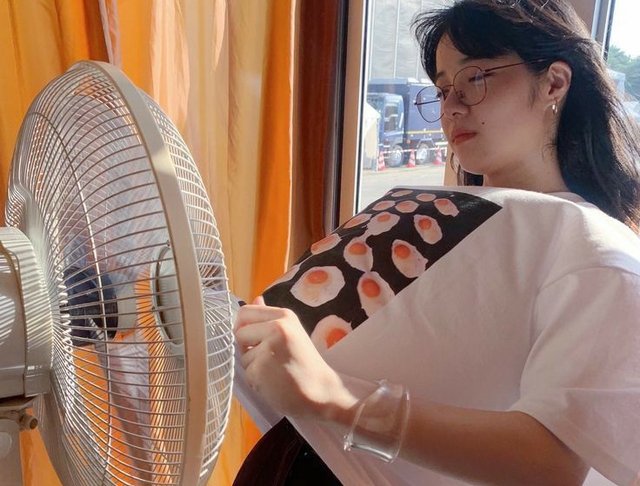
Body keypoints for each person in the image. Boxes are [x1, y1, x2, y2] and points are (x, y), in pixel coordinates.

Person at [233, 0, 640, 484]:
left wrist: (337, 399)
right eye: (444, 89)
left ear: (554, 82)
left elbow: (553, 462)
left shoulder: (592, 248)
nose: (451, 107)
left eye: (475, 78)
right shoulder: (443, 209)